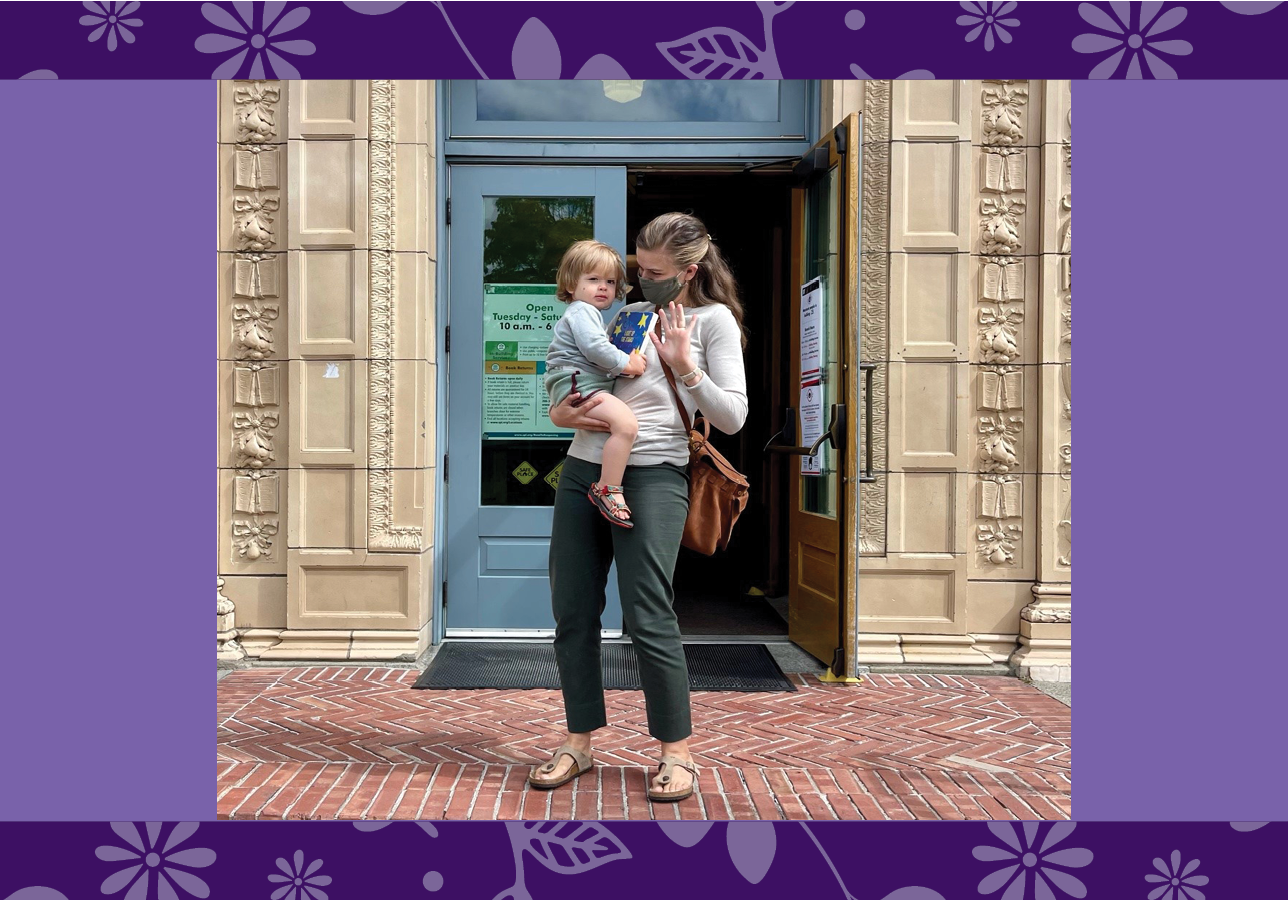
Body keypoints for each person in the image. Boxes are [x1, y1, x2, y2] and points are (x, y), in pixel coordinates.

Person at [528, 213, 749, 803]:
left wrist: (686, 366)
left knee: (649, 613)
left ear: (688, 271)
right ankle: (579, 742)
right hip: (584, 471)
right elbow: (579, 383)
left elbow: (732, 417)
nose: (636, 281)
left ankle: (677, 751)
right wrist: (560, 412)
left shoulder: (713, 320)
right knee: (572, 609)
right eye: (636, 269)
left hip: (654, 477)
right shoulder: (620, 314)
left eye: (652, 273)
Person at [544, 240, 647, 527]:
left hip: (579, 381)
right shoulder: (582, 311)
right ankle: (608, 489)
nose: (603, 287)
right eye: (593, 279)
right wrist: (628, 364)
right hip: (577, 382)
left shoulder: (591, 315)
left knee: (621, 426)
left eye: (610, 281)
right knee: (626, 426)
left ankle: (608, 486)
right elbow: (595, 349)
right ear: (570, 284)